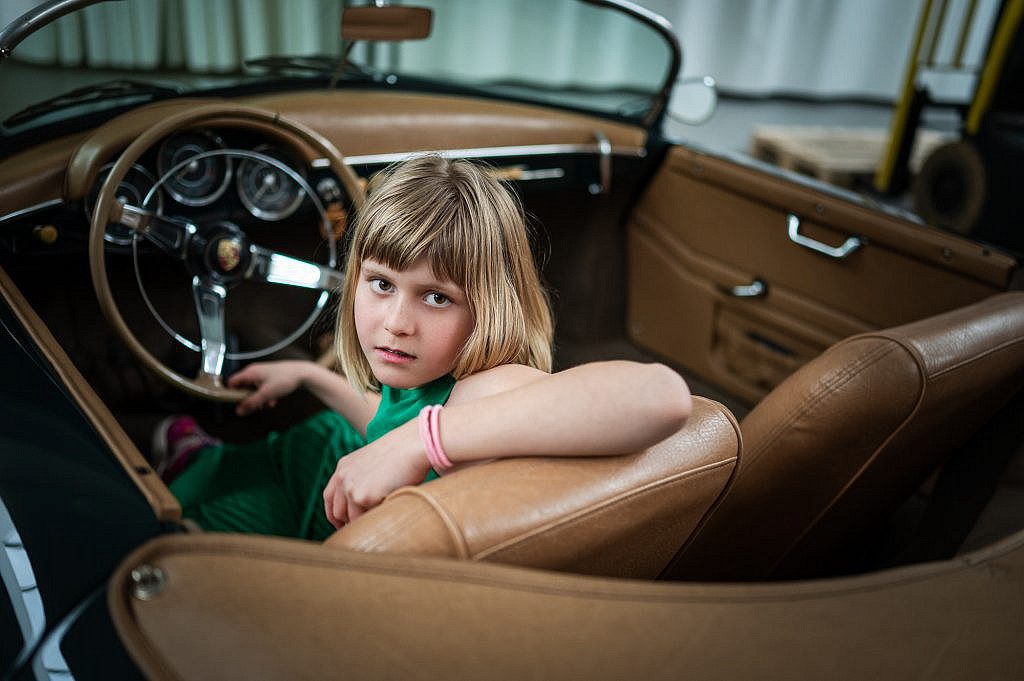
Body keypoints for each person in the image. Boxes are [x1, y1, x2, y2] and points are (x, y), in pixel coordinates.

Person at [155, 155, 692, 540]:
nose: (395, 323)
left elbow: (658, 396)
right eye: (381, 284)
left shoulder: (487, 386)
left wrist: (419, 443)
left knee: (185, 520)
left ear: (489, 305)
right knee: (300, 439)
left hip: (310, 520)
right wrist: (313, 379)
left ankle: (193, 463)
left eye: (436, 297)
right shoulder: (430, 385)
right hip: (326, 461)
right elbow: (389, 426)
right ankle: (204, 457)